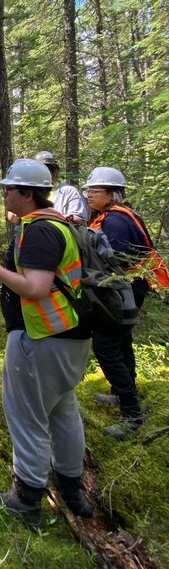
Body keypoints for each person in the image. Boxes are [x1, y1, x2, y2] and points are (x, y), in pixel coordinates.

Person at [0, 158, 92, 526]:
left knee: (26, 415)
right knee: (62, 409)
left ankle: (26, 496)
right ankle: (71, 486)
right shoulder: (59, 224)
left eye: (10, 188)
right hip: (68, 337)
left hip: (42, 338)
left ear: (27, 193)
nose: (6, 193)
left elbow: (37, 288)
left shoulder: (39, 230)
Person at [83, 166, 169, 439]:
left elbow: (116, 260)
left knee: (106, 346)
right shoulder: (112, 216)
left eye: (95, 190)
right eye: (88, 190)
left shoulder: (117, 221)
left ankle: (132, 413)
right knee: (121, 341)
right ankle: (121, 393)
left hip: (125, 291)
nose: (89, 194)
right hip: (127, 289)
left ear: (112, 194)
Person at [33, 151, 88, 224]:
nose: (44, 175)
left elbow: (80, 221)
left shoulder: (69, 192)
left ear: (55, 172)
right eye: (39, 171)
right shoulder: (29, 193)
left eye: (49, 170)